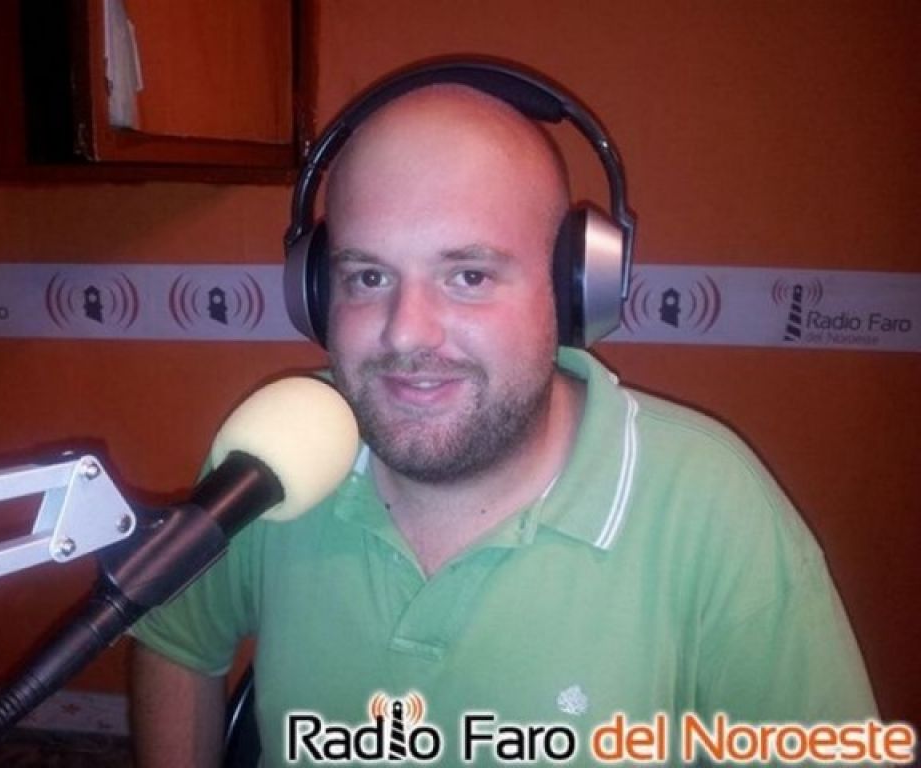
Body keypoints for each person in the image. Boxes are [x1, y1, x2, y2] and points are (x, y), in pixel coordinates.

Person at [129, 79, 878, 766]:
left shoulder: (712, 510)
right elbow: (175, 640)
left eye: (469, 275)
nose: (406, 332)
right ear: (317, 290)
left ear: (572, 290)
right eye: (368, 276)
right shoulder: (280, 451)